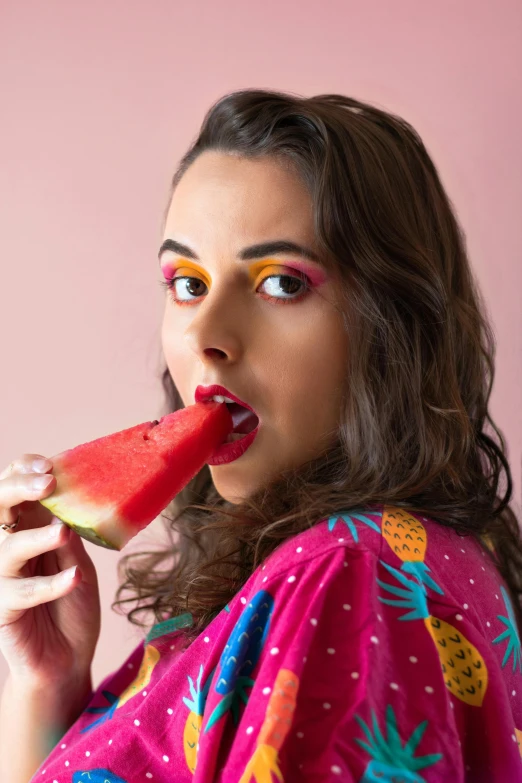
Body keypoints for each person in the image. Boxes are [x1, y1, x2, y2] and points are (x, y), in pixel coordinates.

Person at [0, 89, 521, 783]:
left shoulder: (344, 573)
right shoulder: (383, 560)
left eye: (280, 282)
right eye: (187, 282)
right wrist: (49, 684)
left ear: (390, 325)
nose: (205, 335)